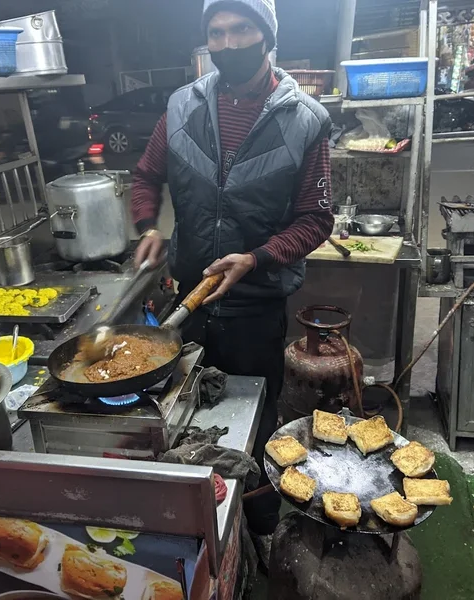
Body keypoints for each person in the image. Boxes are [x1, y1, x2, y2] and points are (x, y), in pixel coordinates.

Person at [130, 0, 333, 544]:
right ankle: (196, 519)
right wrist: (148, 225)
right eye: (216, 32)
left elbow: (316, 219)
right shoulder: (180, 107)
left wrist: (257, 258)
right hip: (189, 299)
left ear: (266, 36)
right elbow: (147, 175)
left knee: (254, 416)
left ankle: (260, 522)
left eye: (241, 29)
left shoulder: (305, 117)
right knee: (183, 412)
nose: (228, 42)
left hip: (256, 301)